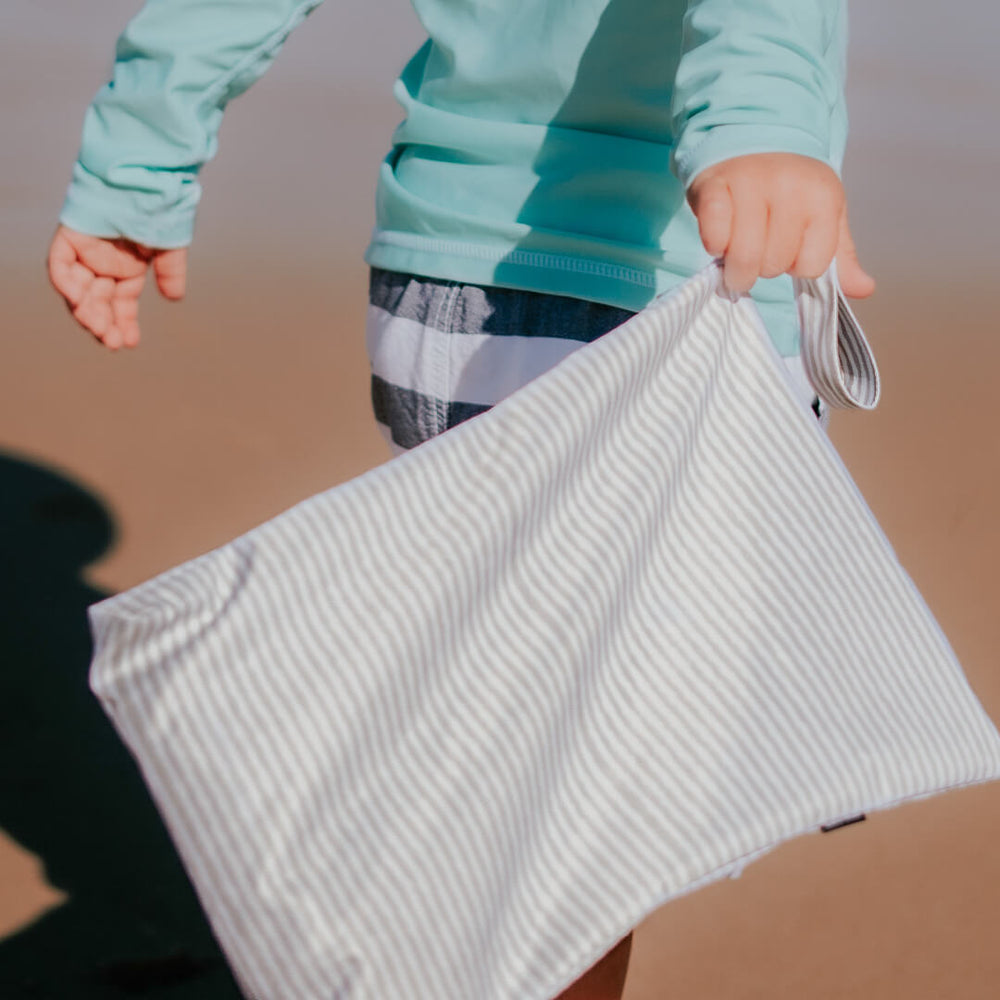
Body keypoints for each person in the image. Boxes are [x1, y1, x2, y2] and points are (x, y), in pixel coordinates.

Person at [47, 1, 875, 996]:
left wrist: (136, 162)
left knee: (520, 735)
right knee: (581, 796)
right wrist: (764, 127)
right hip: (665, 289)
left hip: (444, 283)